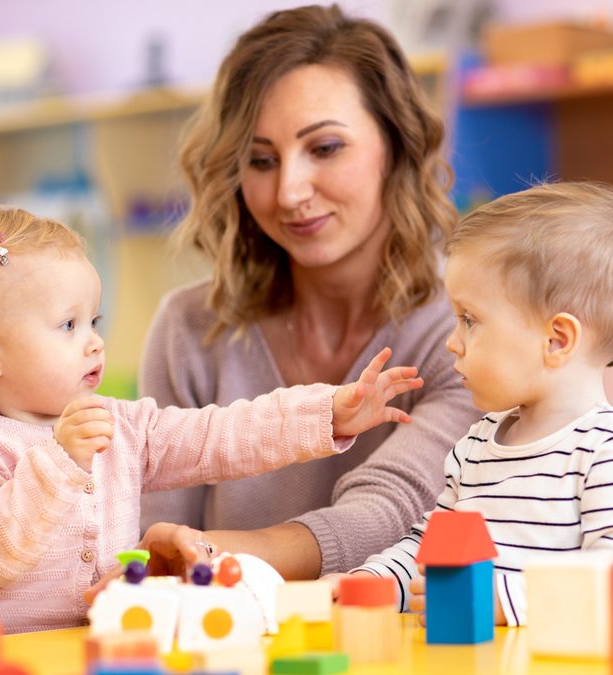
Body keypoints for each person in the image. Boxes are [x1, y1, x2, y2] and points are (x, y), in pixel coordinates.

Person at [0, 205, 423, 632]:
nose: (95, 342)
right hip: (1, 659)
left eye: (94, 320)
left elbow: (219, 436)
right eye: (68, 325)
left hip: (105, 642)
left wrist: (326, 413)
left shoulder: (119, 424)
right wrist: (59, 463)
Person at [134, 3, 478, 582]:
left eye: (324, 148)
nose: (290, 191)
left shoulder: (465, 325)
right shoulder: (188, 332)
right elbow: (152, 543)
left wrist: (202, 555)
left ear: (395, 145)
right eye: (260, 160)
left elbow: (389, 514)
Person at [333, 182, 613, 627]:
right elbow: (428, 552)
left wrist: (506, 600)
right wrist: (368, 583)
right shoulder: (474, 447)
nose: (452, 343)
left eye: (469, 320)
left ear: (556, 339)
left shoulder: (612, 453)